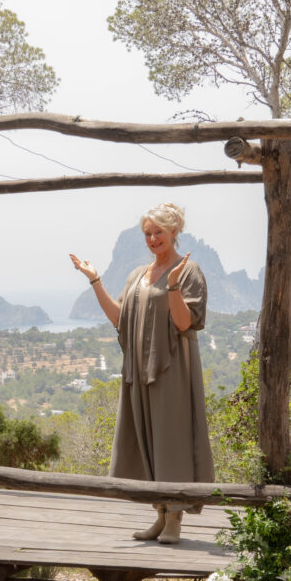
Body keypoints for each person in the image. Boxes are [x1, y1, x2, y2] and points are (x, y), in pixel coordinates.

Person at [69, 201, 214, 544]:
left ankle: (175, 516)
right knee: (148, 442)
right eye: (147, 233)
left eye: (158, 232)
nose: (152, 239)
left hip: (173, 370)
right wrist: (95, 280)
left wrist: (173, 287)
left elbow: (184, 323)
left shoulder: (188, 271)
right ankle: (160, 514)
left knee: (172, 441)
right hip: (138, 372)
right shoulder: (137, 274)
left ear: (174, 231)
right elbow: (121, 319)